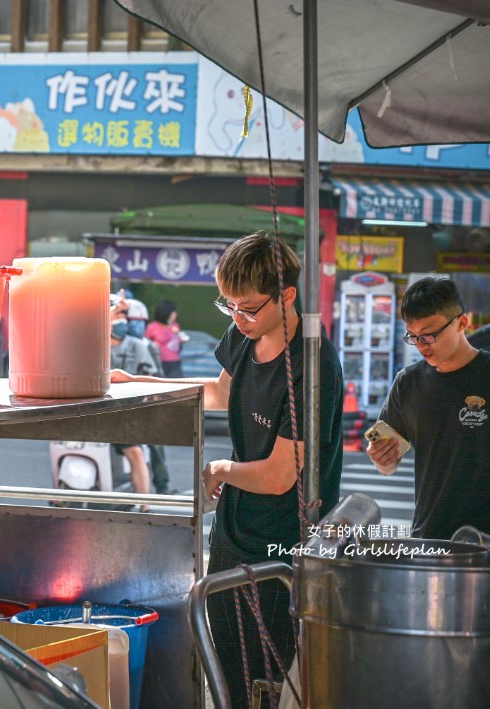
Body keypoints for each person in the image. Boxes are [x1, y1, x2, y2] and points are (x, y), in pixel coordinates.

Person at [111, 231, 344, 708]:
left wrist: (221, 468)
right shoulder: (244, 333)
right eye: (229, 306)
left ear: (287, 296)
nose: (237, 318)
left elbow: (282, 474)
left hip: (286, 540)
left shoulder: (313, 366)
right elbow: (219, 393)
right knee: (228, 665)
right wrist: (142, 383)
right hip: (235, 529)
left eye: (249, 308)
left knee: (271, 675)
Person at [367, 277, 490, 543]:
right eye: (413, 336)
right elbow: (389, 464)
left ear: (461, 323)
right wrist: (381, 458)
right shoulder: (407, 382)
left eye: (430, 334)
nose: (421, 345)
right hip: (427, 538)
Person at [110, 297, 156, 505]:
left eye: (122, 315)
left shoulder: (137, 346)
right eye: (115, 315)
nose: (120, 320)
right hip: (91, 411)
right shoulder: (93, 345)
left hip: (127, 414)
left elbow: (153, 378)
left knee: (137, 452)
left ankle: (145, 504)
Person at [144, 299, 187, 378]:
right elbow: (145, 343)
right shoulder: (152, 327)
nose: (175, 314)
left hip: (174, 362)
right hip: (159, 361)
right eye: (173, 312)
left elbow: (182, 339)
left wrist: (180, 336)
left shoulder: (175, 325)